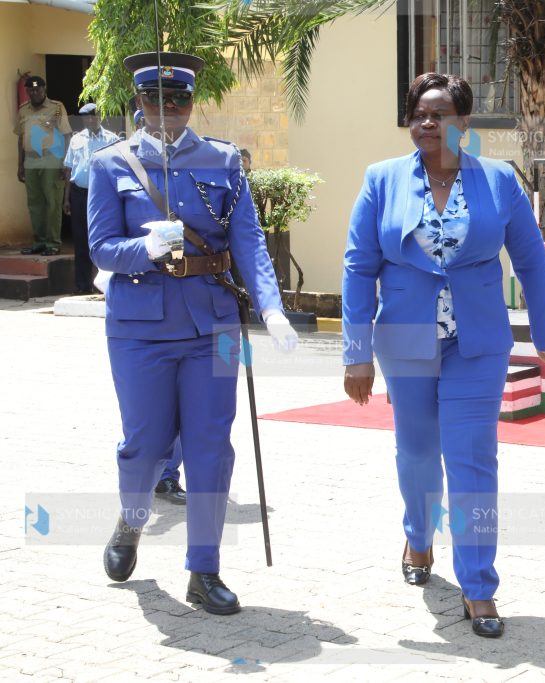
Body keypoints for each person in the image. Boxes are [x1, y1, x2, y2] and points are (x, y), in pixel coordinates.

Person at [343, 72, 545, 638]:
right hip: (406, 340)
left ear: (463, 122)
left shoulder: (499, 180)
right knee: (418, 453)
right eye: (419, 113)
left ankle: (479, 586)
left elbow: (530, 259)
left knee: (472, 459)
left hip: (478, 342)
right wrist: (356, 352)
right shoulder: (381, 179)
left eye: (439, 113)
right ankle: (418, 537)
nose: (427, 122)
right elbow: (359, 267)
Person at [88, 51, 298, 615]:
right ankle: (131, 520)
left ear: (191, 102)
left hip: (217, 326)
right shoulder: (112, 165)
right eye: (155, 99)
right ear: (139, 102)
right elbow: (101, 248)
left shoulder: (222, 160)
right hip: (139, 329)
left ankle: (203, 569)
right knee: (145, 443)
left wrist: (272, 309)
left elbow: (248, 240)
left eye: (179, 99)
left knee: (211, 445)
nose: (168, 109)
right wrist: (145, 248)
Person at [63, 103, 120, 293]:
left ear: (100, 117)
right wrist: (66, 199)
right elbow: (69, 169)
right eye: (86, 117)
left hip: (102, 196)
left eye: (94, 116)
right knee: (80, 240)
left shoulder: (111, 139)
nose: (90, 120)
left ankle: (103, 285)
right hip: (79, 194)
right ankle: (82, 286)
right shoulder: (76, 139)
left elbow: (117, 169)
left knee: (102, 238)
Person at [15, 75, 72, 256]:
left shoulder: (56, 108)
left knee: (53, 202)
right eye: (31, 90)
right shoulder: (23, 110)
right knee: (34, 203)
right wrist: (20, 165)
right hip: (30, 161)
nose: (35, 93)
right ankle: (39, 242)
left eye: (38, 89)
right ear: (27, 91)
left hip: (51, 160)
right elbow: (21, 139)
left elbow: (66, 135)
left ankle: (53, 243)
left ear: (44, 89)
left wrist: (65, 162)